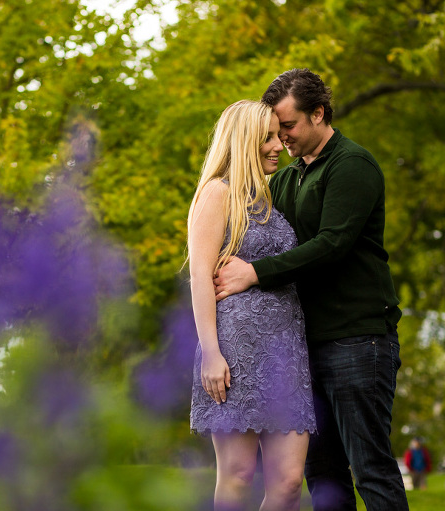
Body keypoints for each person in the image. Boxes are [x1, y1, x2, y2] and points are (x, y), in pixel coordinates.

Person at [213, 69, 409, 510]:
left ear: (318, 114)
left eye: (288, 127)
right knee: (322, 476)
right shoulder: (285, 179)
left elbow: (331, 245)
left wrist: (254, 273)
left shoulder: (351, 165)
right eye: (273, 131)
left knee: (370, 467)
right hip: (302, 349)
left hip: (357, 339)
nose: (281, 139)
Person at [188, 99, 316, 511]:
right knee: (239, 476)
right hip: (234, 354)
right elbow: (200, 278)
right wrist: (211, 353)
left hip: (285, 356)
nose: (279, 145)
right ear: (244, 141)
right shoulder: (216, 193)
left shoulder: (268, 197)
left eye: (279, 135)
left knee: (289, 482)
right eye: (268, 137)